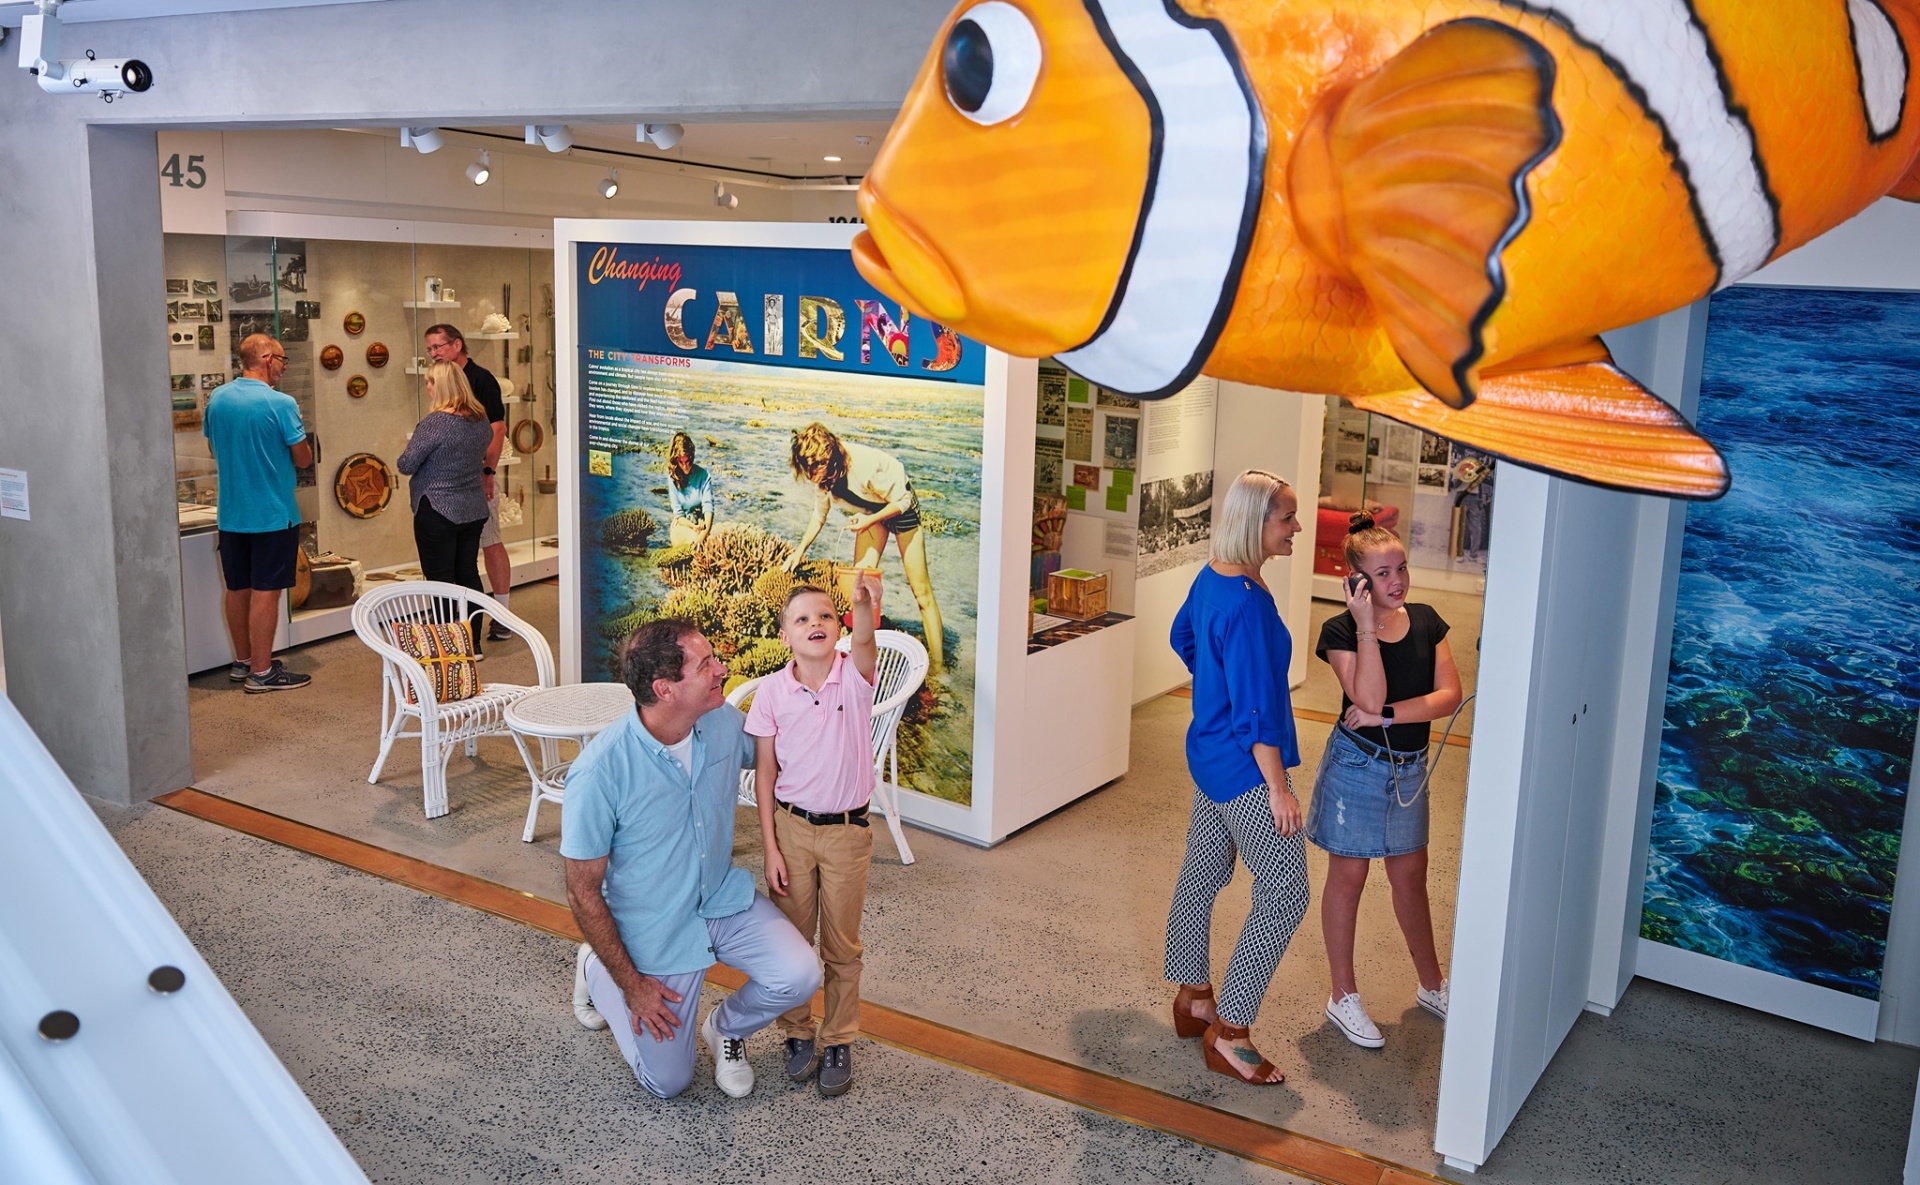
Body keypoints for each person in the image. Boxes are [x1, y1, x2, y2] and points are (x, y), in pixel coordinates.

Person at [562, 619, 822, 1100]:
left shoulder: (719, 720)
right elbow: (581, 892)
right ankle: (597, 971)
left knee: (801, 975)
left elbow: (776, 754)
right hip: (654, 932)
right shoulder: (599, 773)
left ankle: (727, 1030)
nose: (722, 669)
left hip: (720, 899)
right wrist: (633, 985)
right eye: (706, 665)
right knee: (669, 1083)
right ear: (665, 689)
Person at [1164, 469, 1310, 1085]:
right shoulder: (1247, 604)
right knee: (1286, 893)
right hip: (1246, 772)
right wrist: (1278, 788)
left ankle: (1193, 995)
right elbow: (1256, 717)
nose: (1297, 527)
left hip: (1208, 755)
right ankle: (1231, 1030)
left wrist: (1213, 695)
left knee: (1202, 875)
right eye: (1287, 517)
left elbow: (1182, 637)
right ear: (1256, 521)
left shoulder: (1213, 577)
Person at [1307, 513, 1462, 1048]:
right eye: (1382, 573)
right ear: (1356, 580)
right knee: (1349, 879)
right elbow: (1363, 700)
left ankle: (1432, 984)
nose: (1396, 581)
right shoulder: (1340, 632)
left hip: (1409, 769)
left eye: (1401, 568)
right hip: (1357, 767)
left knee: (1410, 877)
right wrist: (1367, 625)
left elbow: (1448, 697)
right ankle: (1342, 994)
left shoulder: (1426, 620)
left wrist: (1389, 714)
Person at [746, 577, 880, 1098]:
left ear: (839, 626)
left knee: (843, 948)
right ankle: (797, 1032)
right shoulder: (772, 693)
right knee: (794, 944)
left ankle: (839, 1038)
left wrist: (863, 605)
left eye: (824, 616)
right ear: (785, 637)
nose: (815, 625)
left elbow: (866, 640)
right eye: (801, 619)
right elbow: (763, 773)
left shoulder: (856, 678)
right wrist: (771, 848)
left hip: (848, 833)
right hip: (791, 830)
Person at [783, 422, 946, 675]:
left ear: (831, 454)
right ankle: (863, 659)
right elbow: (819, 515)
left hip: (900, 508)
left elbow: (903, 500)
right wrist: (799, 550)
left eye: (818, 466)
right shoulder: (822, 477)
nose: (814, 474)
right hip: (871, 513)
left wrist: (870, 520)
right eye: (808, 468)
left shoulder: (864, 464)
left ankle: (939, 667)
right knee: (857, 592)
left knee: (922, 594)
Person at [202, 333, 313, 693]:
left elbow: (211, 446)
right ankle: (263, 673)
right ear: (266, 359)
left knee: (237, 589)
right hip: (272, 512)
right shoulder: (281, 403)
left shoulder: (217, 398)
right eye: (282, 359)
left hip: (232, 513)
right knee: (267, 591)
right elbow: (303, 457)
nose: (283, 366)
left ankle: (244, 661)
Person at [396, 361, 494, 654]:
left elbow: (406, 463)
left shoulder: (435, 423)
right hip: (472, 508)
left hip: (437, 508)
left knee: (439, 581)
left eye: (429, 382)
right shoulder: (480, 421)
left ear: (440, 386)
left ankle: (449, 646)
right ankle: (472, 644)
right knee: (467, 575)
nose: (427, 388)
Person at [423, 323, 512, 640]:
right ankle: (457, 628)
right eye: (430, 349)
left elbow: (497, 429)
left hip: (475, 479)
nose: (434, 353)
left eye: (439, 347)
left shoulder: (481, 379)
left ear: (457, 345)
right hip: (447, 486)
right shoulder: (442, 382)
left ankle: (502, 615)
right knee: (460, 562)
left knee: (490, 541)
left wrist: (487, 472)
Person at [665, 431, 714, 547]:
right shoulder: (672, 479)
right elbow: (679, 514)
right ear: (676, 461)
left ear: (691, 457)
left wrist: (704, 533)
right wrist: (693, 527)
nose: (685, 466)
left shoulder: (704, 475)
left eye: (687, 461)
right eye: (681, 462)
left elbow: (708, 507)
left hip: (701, 525)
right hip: (683, 526)